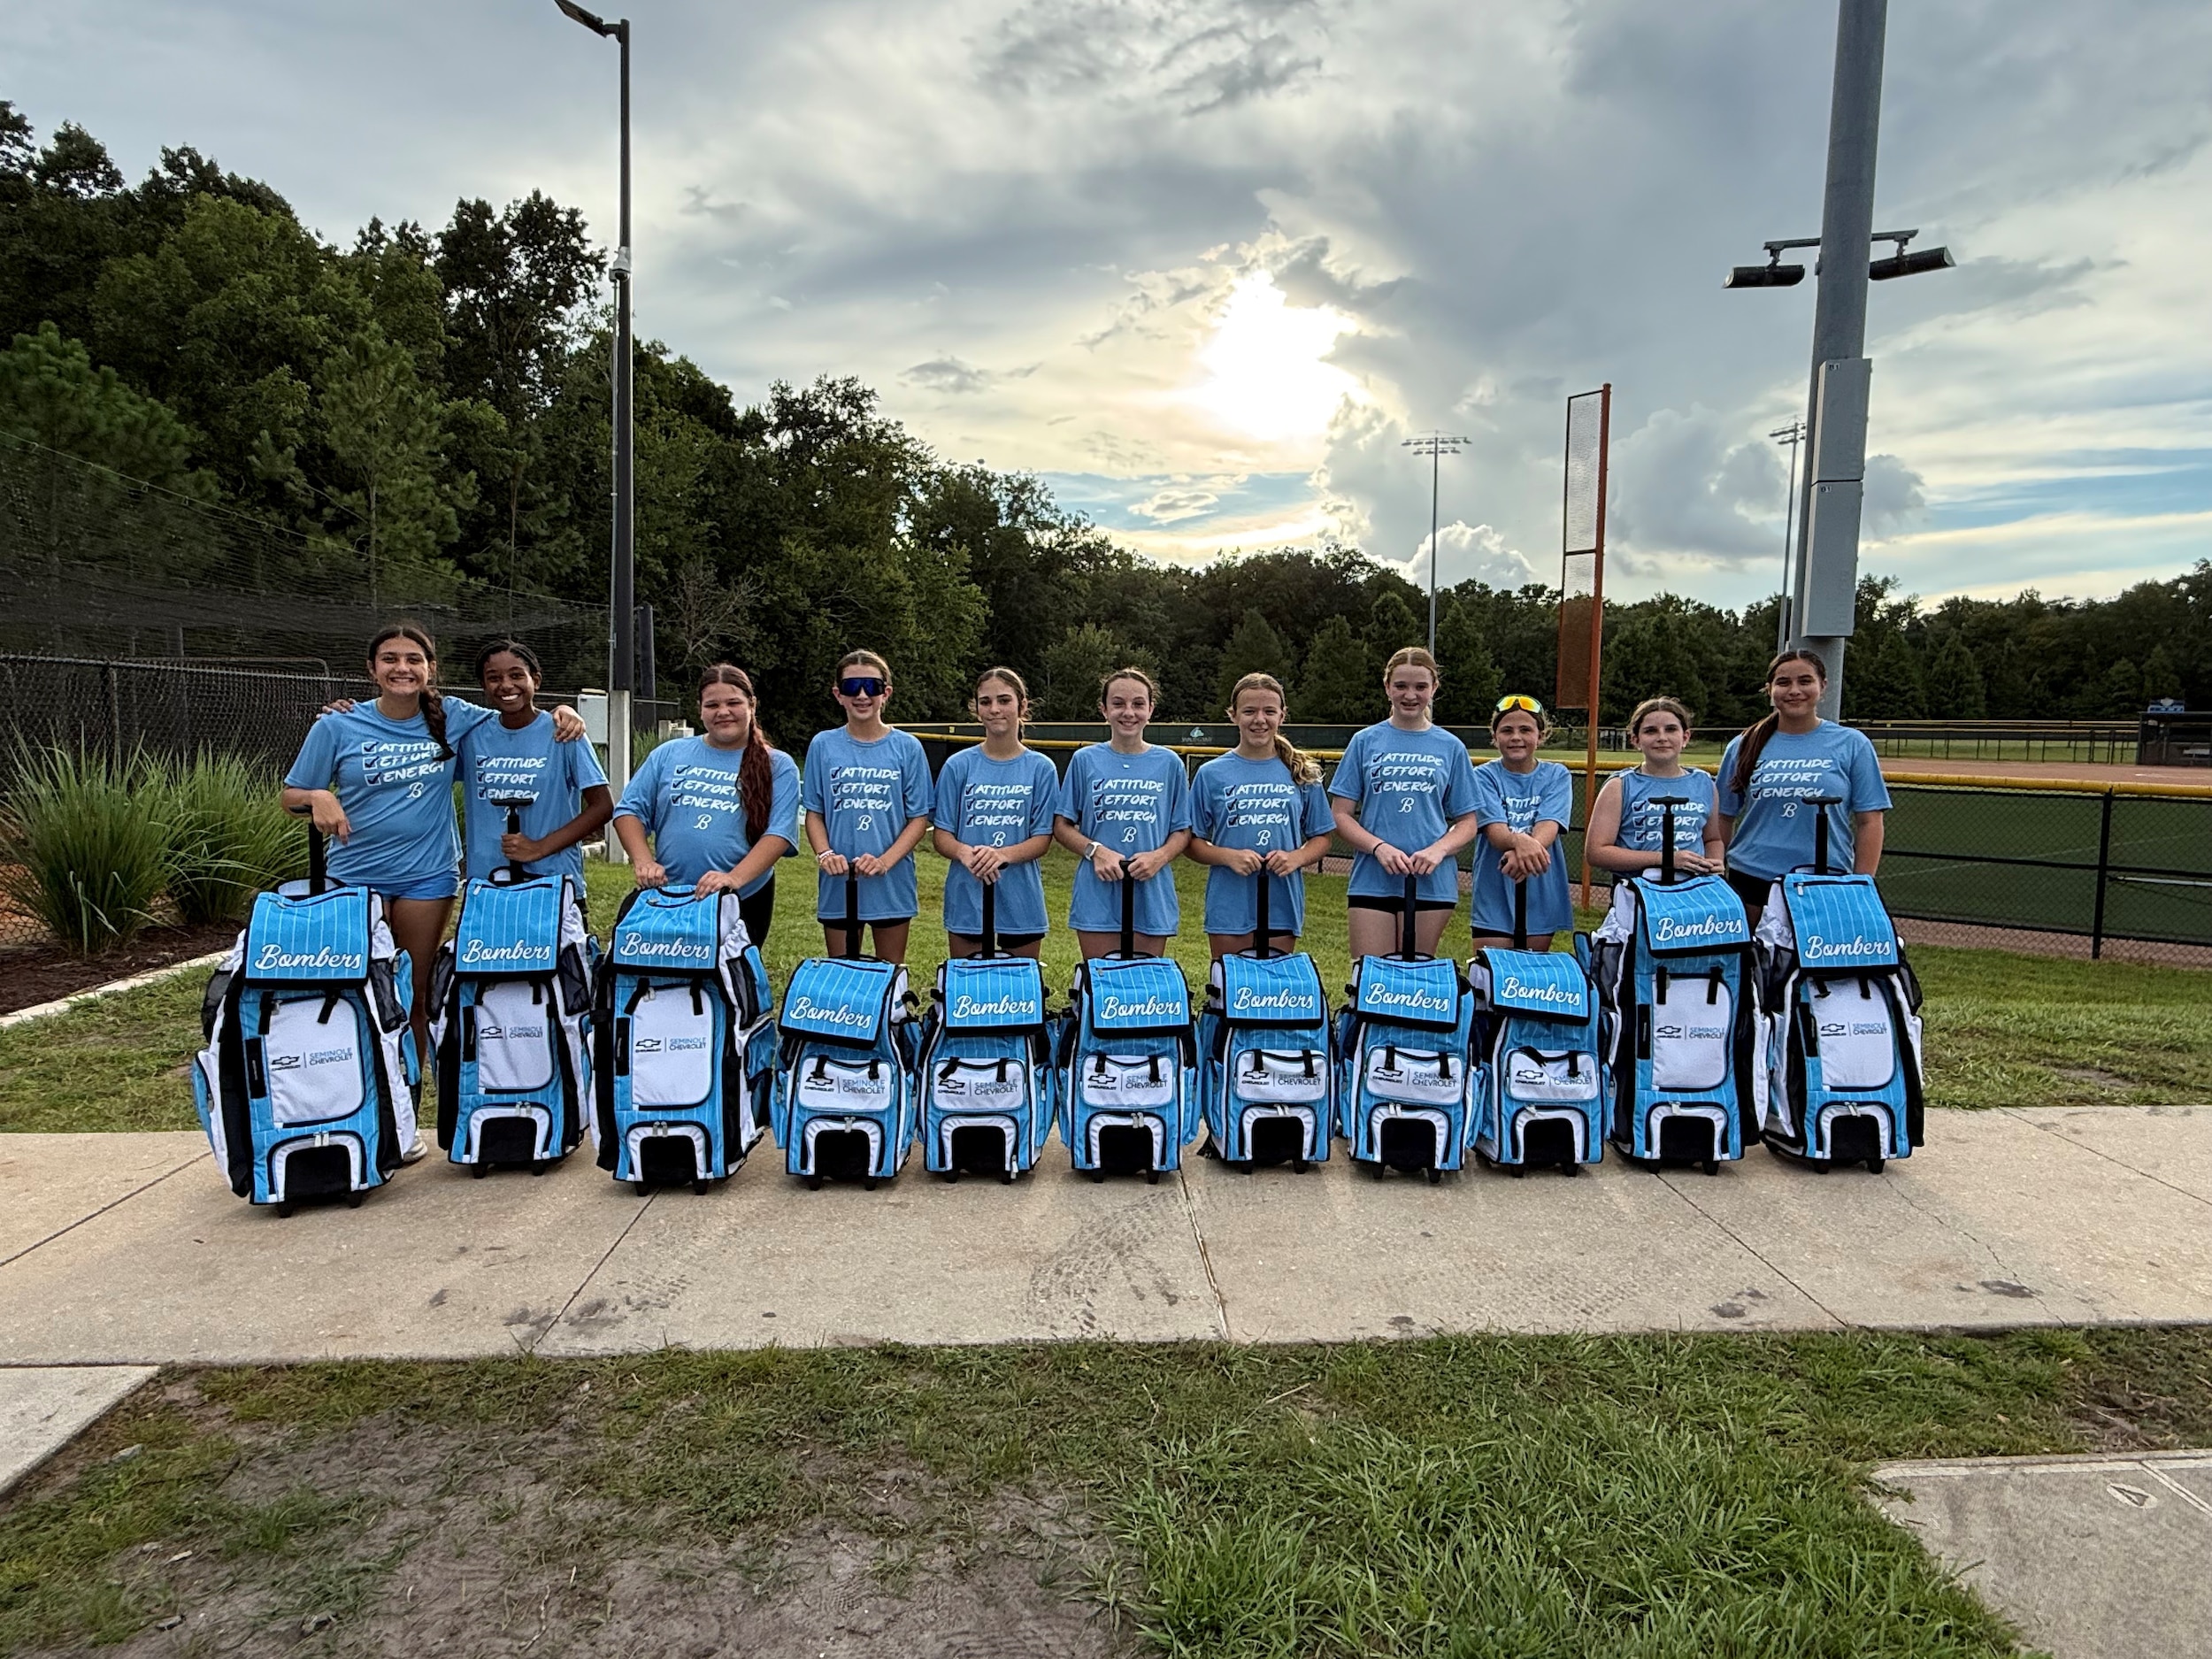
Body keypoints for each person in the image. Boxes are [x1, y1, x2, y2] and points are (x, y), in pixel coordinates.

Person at [283, 625, 581, 1154]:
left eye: (413, 659)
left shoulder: (457, 717)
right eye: (390, 659)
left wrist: (564, 712)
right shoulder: (339, 725)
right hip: (354, 878)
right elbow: (290, 795)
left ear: (430, 669)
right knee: (355, 995)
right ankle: (358, 1107)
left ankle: (405, 1116)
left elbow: (517, 710)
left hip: (427, 877)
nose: (402, 668)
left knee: (414, 994)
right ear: (372, 668)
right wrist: (317, 797)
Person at [613, 664, 801, 949]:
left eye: (733, 703)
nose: (723, 712)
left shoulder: (779, 765)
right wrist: (643, 861)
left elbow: (779, 834)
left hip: (742, 897)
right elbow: (629, 811)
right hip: (669, 895)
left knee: (725, 976)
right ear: (700, 710)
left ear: (752, 705)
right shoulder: (670, 753)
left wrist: (733, 879)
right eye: (712, 705)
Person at [1716, 649, 1891, 924]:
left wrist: (1861, 886)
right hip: (1751, 879)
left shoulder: (1852, 744)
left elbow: (1870, 821)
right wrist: (1715, 874)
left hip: (1826, 878)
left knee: (1817, 953)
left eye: (1805, 681)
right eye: (1783, 682)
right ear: (1769, 690)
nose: (1794, 690)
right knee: (1751, 953)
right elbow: (1723, 816)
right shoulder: (1743, 745)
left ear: (1823, 686)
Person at [1328, 646, 1481, 960]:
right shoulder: (1365, 741)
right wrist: (1378, 848)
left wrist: (1438, 850)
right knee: (1370, 977)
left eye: (1420, 686)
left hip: (1431, 881)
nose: (1410, 695)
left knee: (1416, 979)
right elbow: (1341, 815)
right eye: (1401, 686)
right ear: (1387, 687)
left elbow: (1468, 822)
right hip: (1373, 879)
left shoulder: (1451, 746)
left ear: (1434, 688)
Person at [1187, 672, 1334, 959]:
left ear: (1282, 715)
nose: (1259, 720)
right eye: (1249, 711)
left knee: (1274, 983)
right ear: (1233, 715)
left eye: (1269, 711)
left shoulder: (1301, 772)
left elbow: (1322, 837)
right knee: (1229, 982)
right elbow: (1191, 842)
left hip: (1282, 898)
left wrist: (1296, 858)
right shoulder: (1211, 773)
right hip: (1230, 900)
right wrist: (1228, 856)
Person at [803, 649, 933, 964]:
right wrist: (825, 854)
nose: (862, 695)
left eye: (872, 686)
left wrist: (885, 861)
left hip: (891, 882)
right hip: (839, 881)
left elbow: (918, 818)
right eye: (852, 687)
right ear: (838, 694)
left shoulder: (907, 747)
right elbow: (814, 813)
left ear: (886, 693)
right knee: (843, 973)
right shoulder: (823, 745)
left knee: (891, 974)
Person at [1052, 666, 1192, 959]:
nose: (1128, 712)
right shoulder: (1085, 760)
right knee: (1101, 979)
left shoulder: (1169, 763)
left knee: (1145, 983)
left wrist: (1159, 857)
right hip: (1098, 889)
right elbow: (1062, 825)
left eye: (1138, 704)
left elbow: (1182, 830)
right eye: (1118, 703)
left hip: (1150, 887)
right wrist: (1096, 851)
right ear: (1104, 709)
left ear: (1151, 709)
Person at [458, 638, 613, 896]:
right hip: (487, 884)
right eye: (494, 678)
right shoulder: (472, 737)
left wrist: (539, 847)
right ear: (483, 686)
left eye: (516, 675)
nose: (506, 685)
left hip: (553, 883)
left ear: (536, 680)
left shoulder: (564, 732)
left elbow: (603, 806)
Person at [931, 667, 1058, 960]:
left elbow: (1042, 839)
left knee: (1020, 985)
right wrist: (965, 853)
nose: (995, 709)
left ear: (1022, 706)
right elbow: (942, 835)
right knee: (968, 983)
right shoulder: (958, 766)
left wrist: (1001, 855)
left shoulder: (1041, 768)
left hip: (1021, 897)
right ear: (976, 709)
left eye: (1004, 700)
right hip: (968, 893)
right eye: (986, 702)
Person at [1470, 695, 1575, 952]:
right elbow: (1496, 832)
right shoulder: (1483, 776)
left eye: (1525, 730)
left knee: (1530, 973)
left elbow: (1549, 825)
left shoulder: (1557, 775)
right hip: (1495, 886)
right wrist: (1522, 843)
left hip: (1540, 882)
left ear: (1541, 736)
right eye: (1507, 730)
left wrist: (1526, 850)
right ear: (1495, 737)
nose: (1516, 737)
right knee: (1491, 971)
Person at [1583, 695, 1724, 882]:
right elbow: (1596, 852)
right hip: (1638, 889)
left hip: (1692, 887)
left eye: (1671, 729)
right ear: (1635, 740)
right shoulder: (1620, 785)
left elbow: (1712, 839)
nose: (1662, 738)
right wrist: (1665, 859)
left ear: (1685, 737)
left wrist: (1714, 864)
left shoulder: (1704, 782)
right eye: (1651, 731)